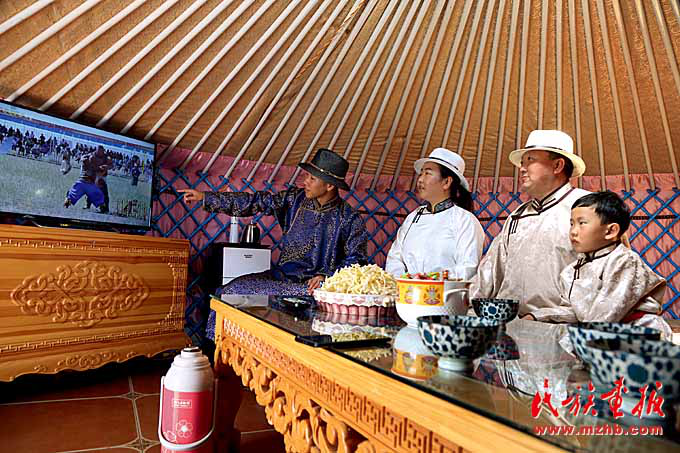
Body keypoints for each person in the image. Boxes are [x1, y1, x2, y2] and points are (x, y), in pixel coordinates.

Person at [179, 148, 370, 341]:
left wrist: (327, 277)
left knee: (290, 302)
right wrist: (206, 198)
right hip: (281, 277)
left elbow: (358, 261)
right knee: (229, 291)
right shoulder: (294, 200)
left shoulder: (349, 218)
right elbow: (255, 202)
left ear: (329, 185)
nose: (305, 181)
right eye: (306, 176)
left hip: (316, 288)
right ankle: (217, 347)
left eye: (312, 179)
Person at [471, 130, 589, 318]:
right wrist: (468, 304)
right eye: (522, 162)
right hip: (509, 322)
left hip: (560, 326)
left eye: (530, 160)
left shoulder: (587, 208)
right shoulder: (517, 216)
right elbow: (490, 271)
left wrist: (547, 316)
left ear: (557, 165)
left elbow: (603, 283)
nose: (522, 168)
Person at [540, 192, 671, 337]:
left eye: (582, 223)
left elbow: (607, 313)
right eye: (572, 224)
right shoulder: (571, 271)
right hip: (597, 333)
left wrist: (574, 339)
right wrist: (538, 316)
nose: (573, 232)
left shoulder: (624, 261)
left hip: (638, 334)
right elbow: (573, 311)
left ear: (610, 231)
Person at [385, 148, 484, 278]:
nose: (420, 179)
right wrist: (403, 279)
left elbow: (468, 267)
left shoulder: (465, 220)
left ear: (446, 182)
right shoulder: (413, 217)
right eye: (421, 173)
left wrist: (431, 279)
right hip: (407, 289)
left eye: (428, 173)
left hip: (445, 290)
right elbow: (394, 258)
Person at [63, 146, 110, 212]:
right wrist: (104, 168)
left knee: (71, 195)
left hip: (81, 183)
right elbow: (101, 169)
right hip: (89, 185)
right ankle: (102, 207)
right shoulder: (94, 165)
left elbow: (84, 158)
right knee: (99, 197)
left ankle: (67, 203)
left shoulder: (85, 162)